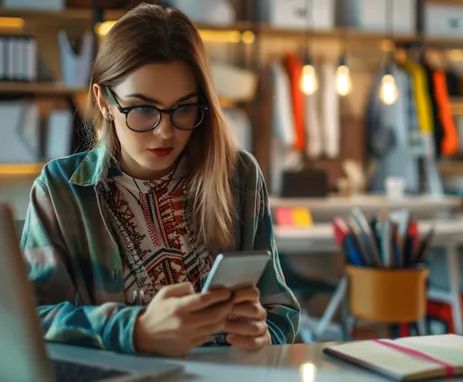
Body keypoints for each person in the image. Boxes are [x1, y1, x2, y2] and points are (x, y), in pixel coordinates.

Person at [20, 3, 300, 357]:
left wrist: (264, 334)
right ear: (103, 101)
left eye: (183, 108)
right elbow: (31, 318)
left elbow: (281, 311)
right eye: (143, 109)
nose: (165, 131)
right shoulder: (61, 188)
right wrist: (135, 330)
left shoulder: (238, 175)